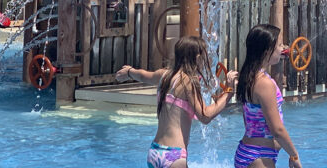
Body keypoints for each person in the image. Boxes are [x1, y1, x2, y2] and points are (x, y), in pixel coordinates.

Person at [116, 36, 237, 168]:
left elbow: (142, 75)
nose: (207, 60)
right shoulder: (188, 81)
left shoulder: (164, 75)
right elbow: (205, 116)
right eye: (205, 57)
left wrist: (129, 71)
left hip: (155, 151)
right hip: (174, 155)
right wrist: (229, 92)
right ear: (197, 58)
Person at [234, 24, 302, 168]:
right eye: (278, 45)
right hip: (259, 156)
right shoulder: (264, 83)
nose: (282, 48)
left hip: (248, 151)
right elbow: (277, 129)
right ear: (266, 51)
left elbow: (250, 121)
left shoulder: (248, 77)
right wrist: (294, 155)